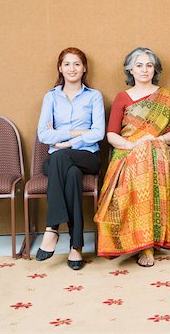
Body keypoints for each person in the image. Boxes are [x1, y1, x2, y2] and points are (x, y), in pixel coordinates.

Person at [94, 47, 170, 267]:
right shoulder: (122, 98)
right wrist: (132, 145)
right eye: (139, 65)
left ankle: (147, 247)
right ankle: (139, 242)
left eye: (149, 65)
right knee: (142, 160)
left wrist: (152, 141)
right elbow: (111, 135)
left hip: (159, 152)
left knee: (149, 155)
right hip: (126, 152)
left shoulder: (168, 97)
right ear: (130, 70)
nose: (144, 69)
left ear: (155, 69)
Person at [36, 47, 105, 270]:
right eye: (67, 64)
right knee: (71, 173)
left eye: (77, 64)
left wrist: (66, 142)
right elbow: (43, 135)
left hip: (88, 156)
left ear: (84, 68)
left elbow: (98, 133)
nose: (72, 68)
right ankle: (76, 246)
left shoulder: (94, 96)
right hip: (59, 159)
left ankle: (52, 228)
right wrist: (76, 133)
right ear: (60, 68)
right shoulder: (51, 96)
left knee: (61, 157)